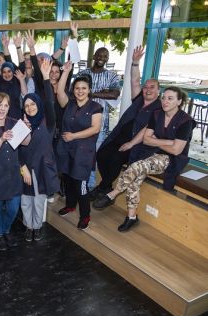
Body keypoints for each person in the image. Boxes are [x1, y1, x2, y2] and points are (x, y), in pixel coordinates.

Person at [92, 87, 195, 232]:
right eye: (163, 97)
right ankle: (131, 217)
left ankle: (112, 194)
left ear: (179, 101)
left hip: (170, 159)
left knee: (135, 167)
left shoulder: (185, 121)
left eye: (170, 98)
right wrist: (167, 142)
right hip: (150, 152)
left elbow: (177, 150)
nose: (165, 101)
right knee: (135, 178)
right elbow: (146, 140)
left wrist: (157, 140)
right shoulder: (157, 114)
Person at [91, 46, 162, 204]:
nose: (148, 90)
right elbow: (134, 81)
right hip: (118, 136)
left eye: (152, 87)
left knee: (116, 159)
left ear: (159, 91)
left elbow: (146, 131)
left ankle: (103, 187)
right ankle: (106, 185)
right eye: (146, 87)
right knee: (101, 154)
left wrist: (130, 144)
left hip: (136, 144)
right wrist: (135, 62)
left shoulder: (159, 108)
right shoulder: (139, 99)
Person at [0, 92, 31, 251]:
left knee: (13, 207)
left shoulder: (15, 123)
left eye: (6, 105)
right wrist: (1, 139)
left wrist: (27, 130)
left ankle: (6, 229)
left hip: (13, 173)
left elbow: (26, 142)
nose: (3, 108)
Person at [56, 60, 103, 230]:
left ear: (89, 90)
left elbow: (95, 128)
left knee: (80, 185)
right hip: (67, 150)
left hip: (83, 153)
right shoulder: (69, 104)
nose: (80, 91)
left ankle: (85, 216)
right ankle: (70, 205)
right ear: (73, 90)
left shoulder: (96, 107)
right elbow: (59, 90)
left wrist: (74, 135)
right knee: (67, 180)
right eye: (77, 88)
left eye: (83, 88)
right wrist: (66, 72)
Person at [19, 59, 59, 242]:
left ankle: (37, 226)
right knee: (26, 201)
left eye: (32, 104)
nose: (30, 107)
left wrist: (45, 78)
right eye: (26, 106)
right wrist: (22, 167)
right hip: (26, 169)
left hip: (42, 168)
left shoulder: (48, 122)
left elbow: (50, 101)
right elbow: (16, 149)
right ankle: (29, 226)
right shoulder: (21, 125)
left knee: (39, 200)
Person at [75, 47, 121, 190]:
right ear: (94, 56)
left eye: (105, 56)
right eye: (99, 55)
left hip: (101, 125)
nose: (101, 57)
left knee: (93, 155)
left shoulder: (112, 76)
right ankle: (78, 183)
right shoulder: (83, 73)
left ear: (107, 59)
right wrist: (102, 92)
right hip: (81, 122)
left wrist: (92, 94)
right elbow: (74, 91)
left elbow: (114, 94)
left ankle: (90, 185)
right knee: (79, 153)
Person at [0, 32, 27, 120]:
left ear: (13, 72)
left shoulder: (17, 79)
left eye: (9, 71)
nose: (7, 74)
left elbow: (22, 64)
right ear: (1, 72)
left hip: (15, 118)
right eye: (4, 72)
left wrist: (18, 47)